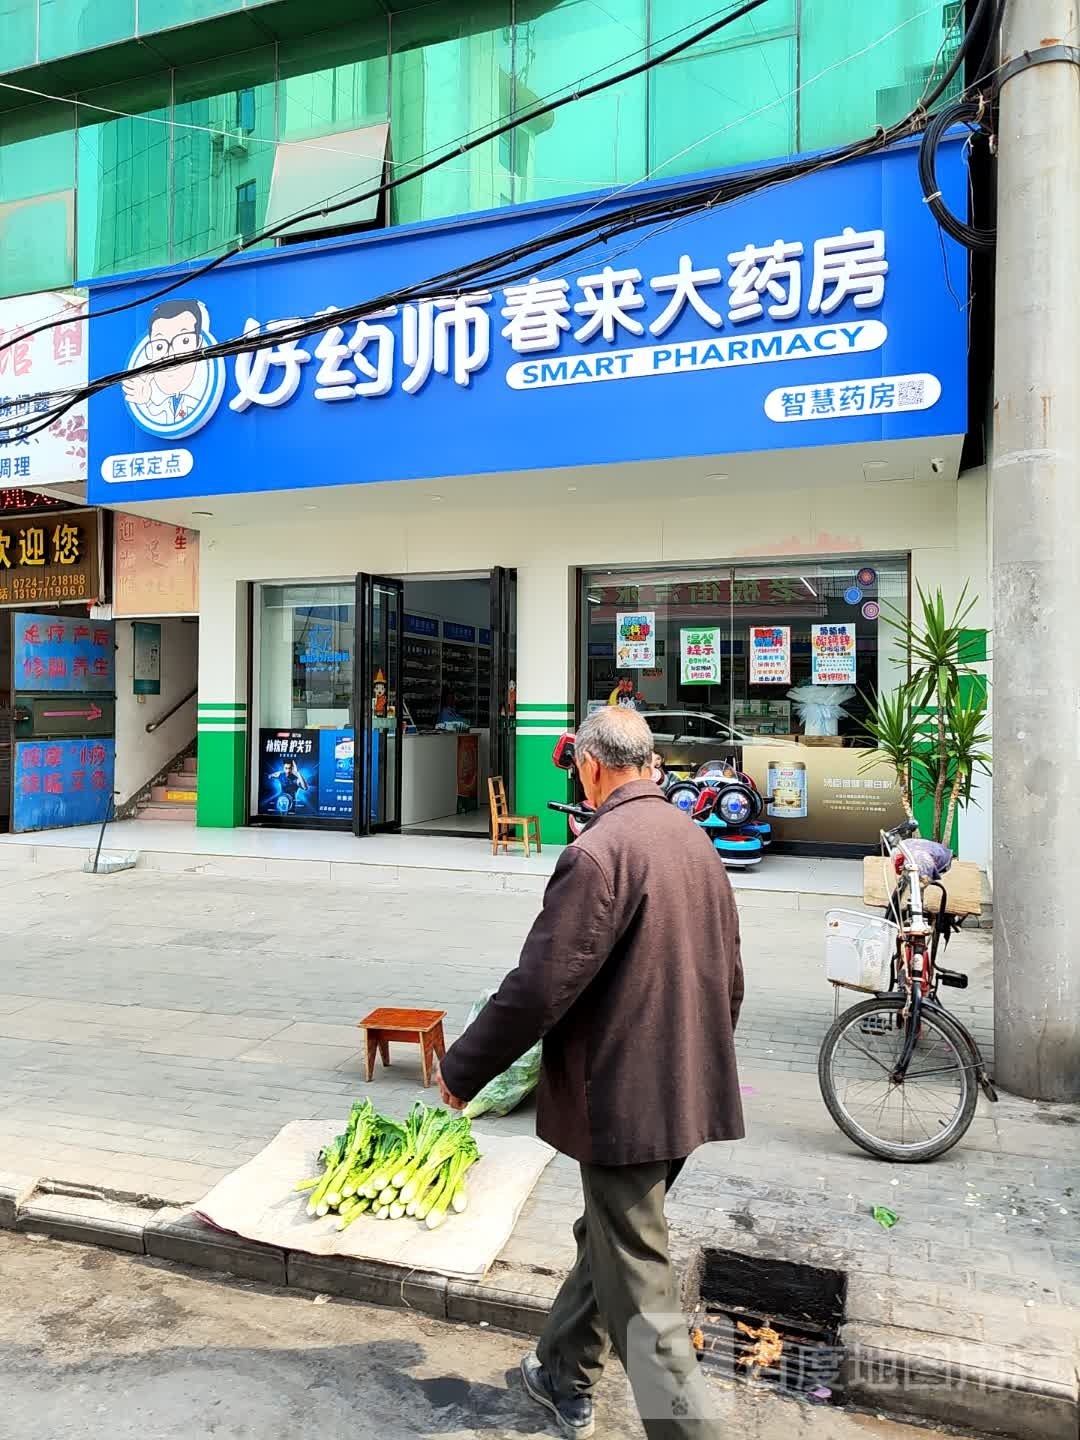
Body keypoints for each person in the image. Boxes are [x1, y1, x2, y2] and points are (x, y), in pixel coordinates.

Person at [437, 706, 744, 1440]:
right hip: (687, 1086)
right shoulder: (691, 836)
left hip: (625, 1100)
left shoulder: (600, 852)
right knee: (608, 1238)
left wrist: (464, 1069)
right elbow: (731, 973)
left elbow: (540, 987)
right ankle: (563, 1373)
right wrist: (702, 1062)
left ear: (594, 766)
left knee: (640, 1282)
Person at [122, 297, 211, 425]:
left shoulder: (199, 400)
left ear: (199, 344)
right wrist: (144, 401)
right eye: (159, 346)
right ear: (150, 351)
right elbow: (158, 414)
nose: (170, 354)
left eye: (184, 341)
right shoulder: (157, 407)